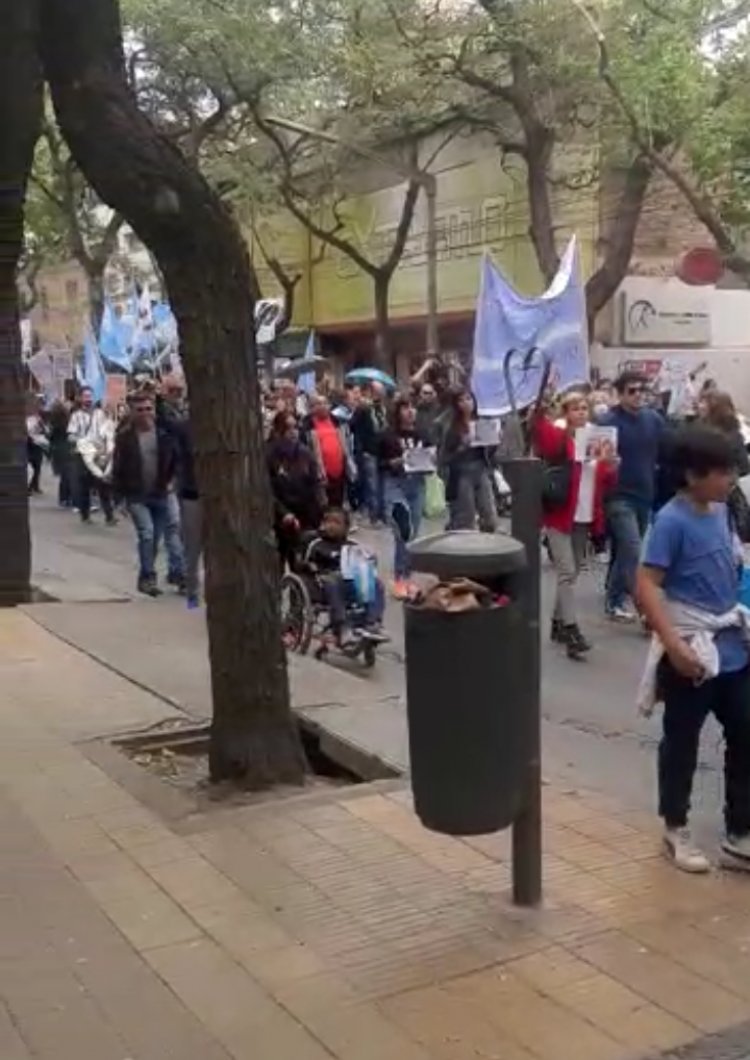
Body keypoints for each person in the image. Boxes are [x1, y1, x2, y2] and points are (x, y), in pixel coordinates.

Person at [636, 427, 750, 874]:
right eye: (722, 471)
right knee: (682, 741)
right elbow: (646, 584)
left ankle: (740, 832)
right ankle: (675, 828)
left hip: (732, 649)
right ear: (692, 474)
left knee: (746, 733)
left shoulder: (722, 512)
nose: (730, 478)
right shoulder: (671, 521)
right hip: (692, 651)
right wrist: (674, 645)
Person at [532, 392, 618, 659]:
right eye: (575, 409)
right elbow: (538, 428)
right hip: (559, 514)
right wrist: (541, 399)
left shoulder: (596, 437)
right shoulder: (560, 437)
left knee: (574, 570)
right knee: (567, 572)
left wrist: (609, 464)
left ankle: (558, 622)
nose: (581, 413)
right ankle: (570, 629)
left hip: (584, 515)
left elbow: (604, 480)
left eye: (584, 408)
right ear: (565, 412)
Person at [598, 371, 665, 621]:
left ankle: (613, 588)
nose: (638, 395)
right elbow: (593, 456)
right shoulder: (607, 421)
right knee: (632, 547)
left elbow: (666, 450)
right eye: (632, 390)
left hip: (645, 494)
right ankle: (617, 601)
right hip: (617, 495)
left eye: (641, 390)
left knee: (622, 548)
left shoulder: (654, 420)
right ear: (620, 393)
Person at [112, 390, 184, 596]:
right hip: (137, 495)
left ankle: (163, 573)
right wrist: (119, 499)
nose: (145, 413)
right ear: (133, 412)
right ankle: (147, 578)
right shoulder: (125, 437)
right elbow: (118, 468)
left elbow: (177, 461)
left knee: (160, 535)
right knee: (147, 534)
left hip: (161, 492)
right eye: (140, 410)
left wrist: (172, 481)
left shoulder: (164, 434)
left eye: (148, 409)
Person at [299, 507, 385, 646]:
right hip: (323, 583)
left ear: (346, 528)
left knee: (376, 583)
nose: (331, 525)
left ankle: (372, 623)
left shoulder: (353, 546)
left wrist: (370, 560)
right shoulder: (316, 544)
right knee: (333, 580)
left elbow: (364, 564)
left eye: (337, 522)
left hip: (350, 583)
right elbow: (303, 563)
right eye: (328, 521)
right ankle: (341, 626)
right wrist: (310, 566)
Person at [379, 395, 434, 599]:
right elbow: (379, 463)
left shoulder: (423, 434)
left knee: (412, 535)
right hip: (396, 484)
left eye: (412, 407)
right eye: (405, 407)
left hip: (417, 484)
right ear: (397, 412)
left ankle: (406, 576)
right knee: (403, 530)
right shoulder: (388, 435)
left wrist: (430, 464)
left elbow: (430, 460)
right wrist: (392, 462)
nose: (410, 411)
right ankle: (400, 577)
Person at [267, 411, 324, 570]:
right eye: (288, 428)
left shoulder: (305, 454)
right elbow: (266, 489)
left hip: (304, 517)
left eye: (295, 428)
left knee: (300, 564)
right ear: (278, 431)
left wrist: (319, 514)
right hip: (279, 517)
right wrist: (282, 512)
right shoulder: (269, 455)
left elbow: (315, 485)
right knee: (276, 563)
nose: (293, 432)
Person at [440, 388, 498, 533]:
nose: (466, 403)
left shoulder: (481, 422)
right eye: (461, 400)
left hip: (481, 470)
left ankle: (489, 546)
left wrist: (494, 441)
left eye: (469, 399)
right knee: (465, 517)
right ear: (456, 404)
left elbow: (490, 453)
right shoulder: (452, 427)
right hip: (462, 473)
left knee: (489, 515)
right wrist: (462, 446)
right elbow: (445, 457)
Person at [67, 388, 116, 524]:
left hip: (99, 455)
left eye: (90, 396)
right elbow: (71, 435)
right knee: (84, 486)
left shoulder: (100, 414)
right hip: (84, 454)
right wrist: (83, 442)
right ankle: (85, 515)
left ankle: (109, 516)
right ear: (80, 398)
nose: (88, 399)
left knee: (103, 485)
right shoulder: (76, 416)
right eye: (85, 396)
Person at [302, 394, 356, 508]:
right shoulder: (307, 425)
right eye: (318, 404)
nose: (322, 406)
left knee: (338, 502)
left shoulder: (337, 422)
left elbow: (345, 444)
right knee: (325, 504)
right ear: (312, 407)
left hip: (340, 469)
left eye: (324, 403)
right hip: (321, 472)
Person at [171, 410, 202, 608]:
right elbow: (176, 457)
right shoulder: (184, 428)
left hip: (215, 493)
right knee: (192, 547)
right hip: (192, 493)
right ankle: (192, 595)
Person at [350, 382, 387, 524]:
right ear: (371, 392)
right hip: (368, 450)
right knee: (372, 484)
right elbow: (352, 425)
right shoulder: (363, 408)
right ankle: (373, 515)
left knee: (381, 483)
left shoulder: (382, 408)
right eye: (379, 391)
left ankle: (381, 513)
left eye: (382, 391)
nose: (381, 394)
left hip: (383, 451)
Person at [47, 398, 73, 507]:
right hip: (66, 450)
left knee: (64, 476)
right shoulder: (66, 423)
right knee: (68, 475)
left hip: (58, 451)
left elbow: (51, 438)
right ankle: (66, 498)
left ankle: (64, 498)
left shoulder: (54, 423)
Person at [26, 395, 48, 495]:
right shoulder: (27, 415)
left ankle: (35, 486)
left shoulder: (40, 416)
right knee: (30, 466)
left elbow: (45, 430)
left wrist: (41, 425)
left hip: (38, 443)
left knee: (37, 466)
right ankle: (28, 487)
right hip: (28, 443)